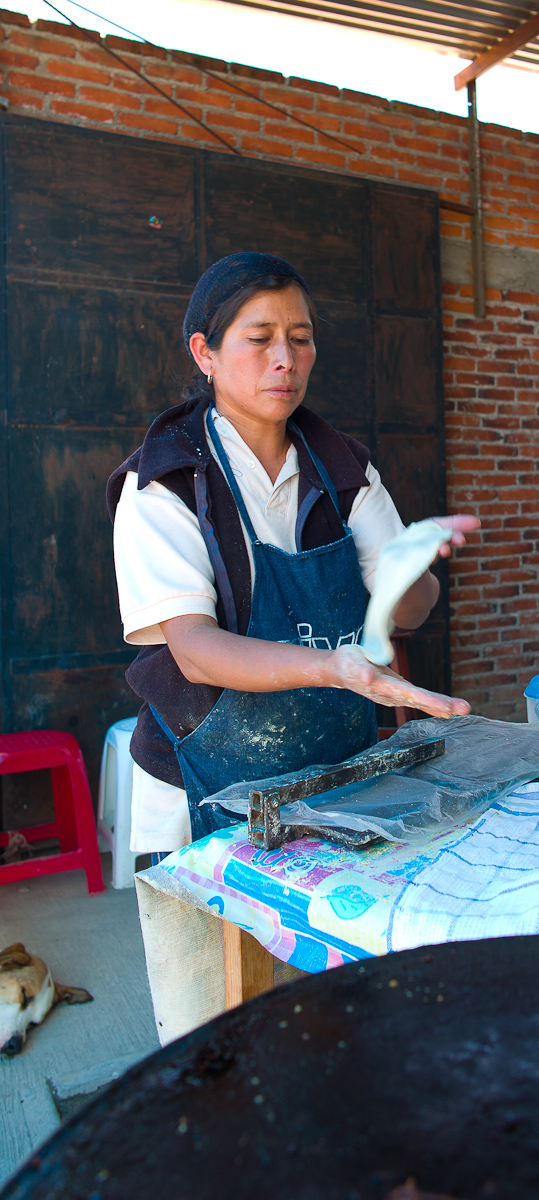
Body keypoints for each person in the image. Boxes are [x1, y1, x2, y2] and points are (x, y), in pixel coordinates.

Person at [107, 252, 479, 858]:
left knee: (335, 946)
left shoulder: (342, 468)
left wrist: (410, 571)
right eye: (260, 339)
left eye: (300, 339)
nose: (286, 359)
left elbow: (407, 613)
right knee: (218, 951)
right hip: (203, 779)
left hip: (336, 771)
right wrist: (335, 667)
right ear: (205, 354)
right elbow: (196, 651)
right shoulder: (166, 481)